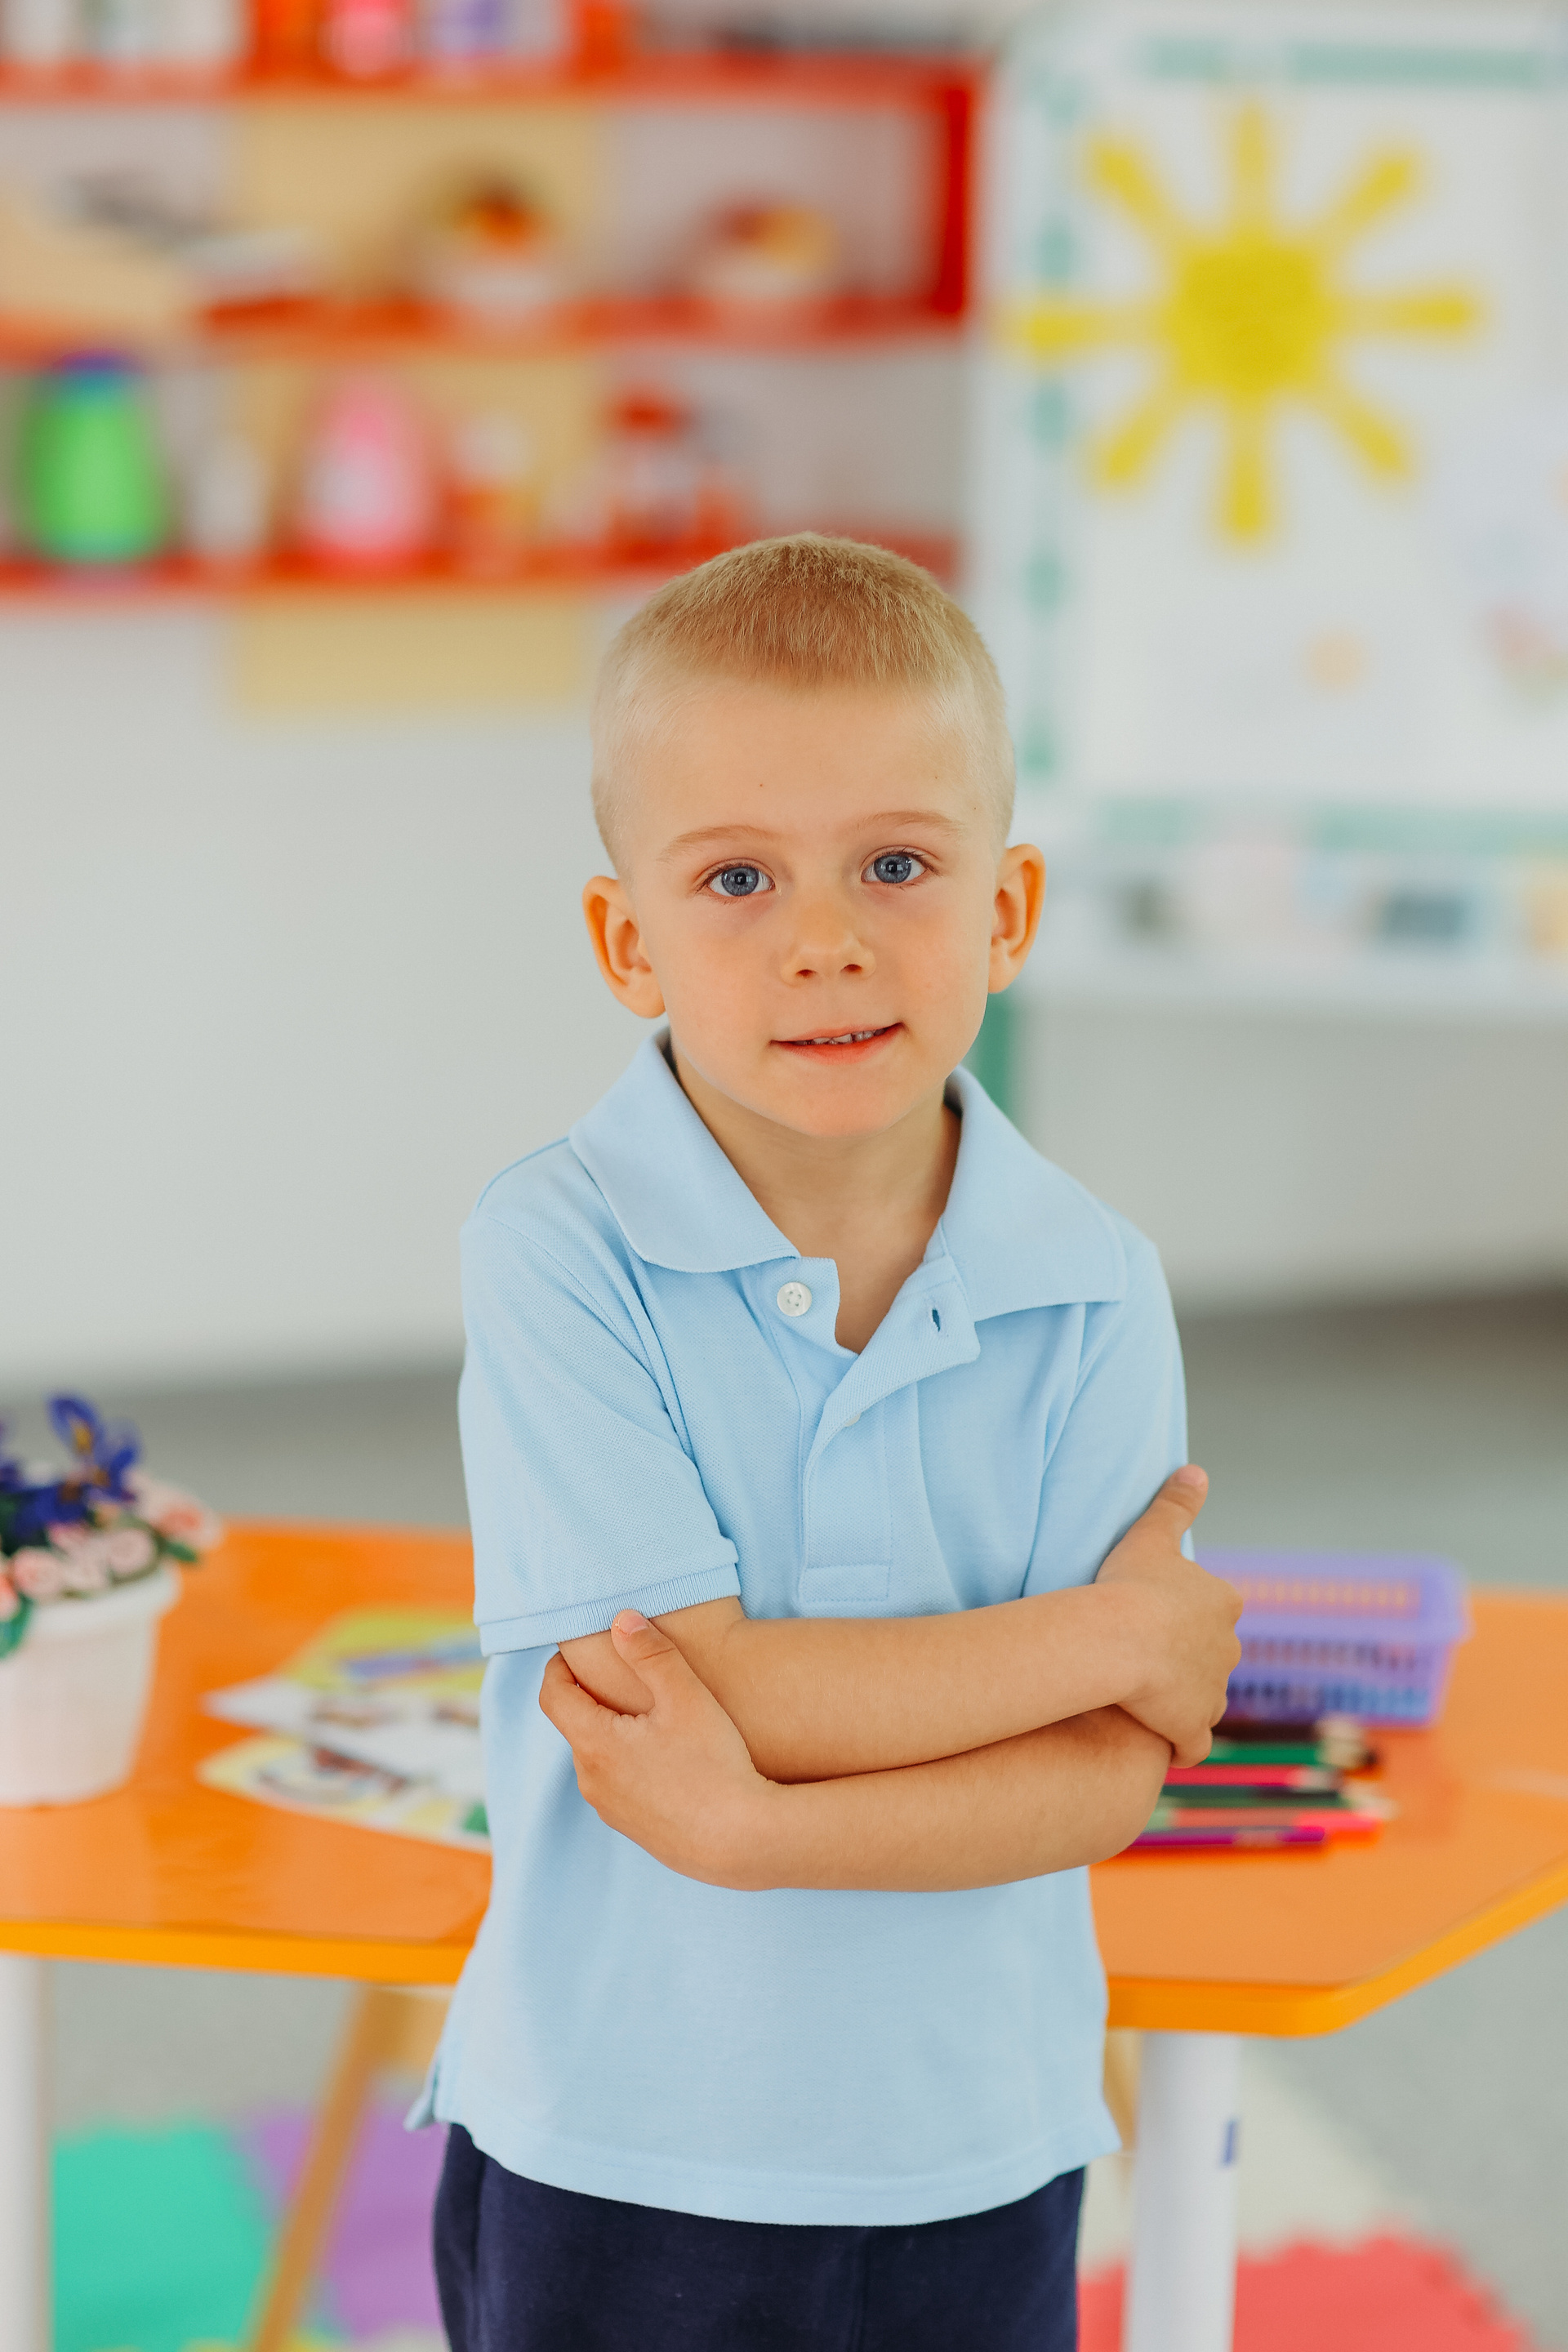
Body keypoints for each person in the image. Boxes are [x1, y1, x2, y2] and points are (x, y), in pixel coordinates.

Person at [420, 535, 1242, 2352]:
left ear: (1009, 908)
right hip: (623, 2144)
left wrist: (753, 1826)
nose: (825, 939)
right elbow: (695, 1679)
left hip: (979, 2147)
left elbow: (1108, 1778)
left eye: (897, 863)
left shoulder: (1094, 1282)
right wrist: (1111, 1634)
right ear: (626, 942)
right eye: (737, 877)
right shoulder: (556, 1245)